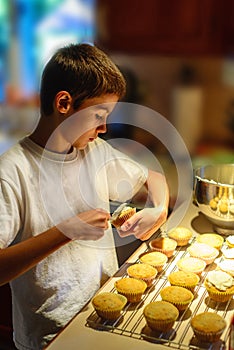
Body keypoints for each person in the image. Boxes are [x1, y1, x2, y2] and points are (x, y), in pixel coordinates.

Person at [0, 43, 169, 350]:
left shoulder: (93, 151)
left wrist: (158, 210)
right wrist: (66, 231)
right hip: (51, 337)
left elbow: (154, 178)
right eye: (99, 115)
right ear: (64, 103)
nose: (104, 128)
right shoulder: (13, 171)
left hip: (105, 313)